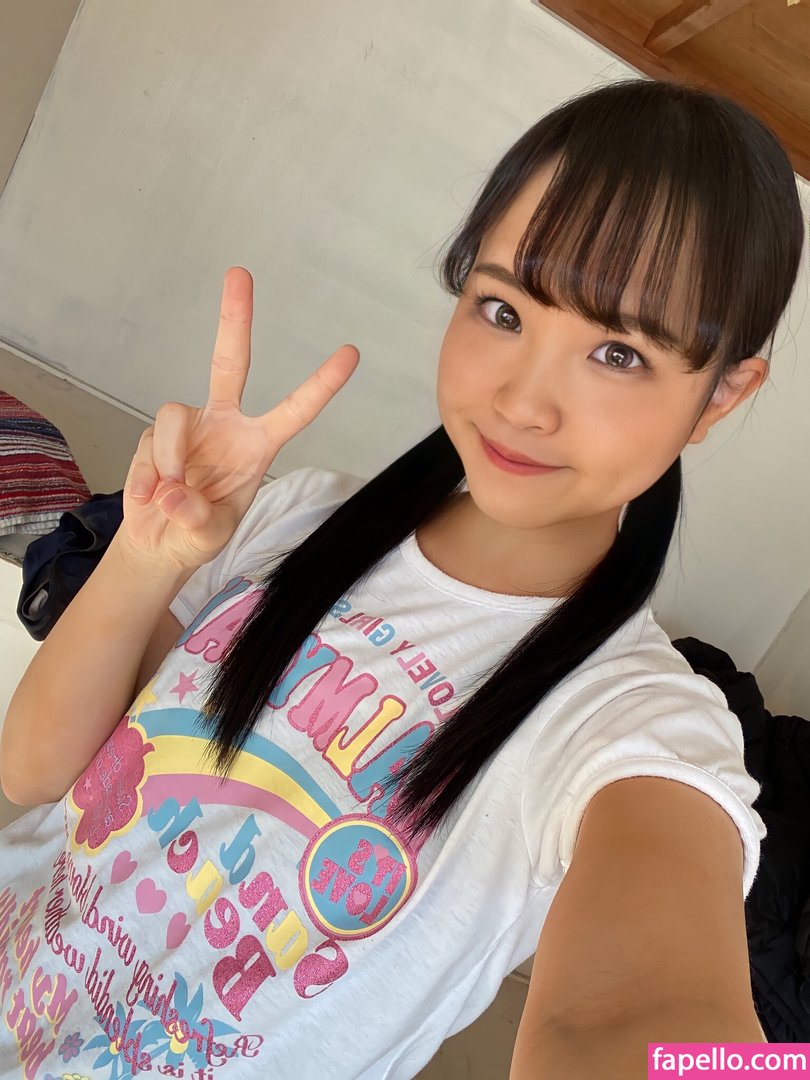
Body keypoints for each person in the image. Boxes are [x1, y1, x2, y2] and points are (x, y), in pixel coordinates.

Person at [0, 77, 804, 1080]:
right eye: (503, 310)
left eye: (617, 352)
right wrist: (145, 556)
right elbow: (37, 774)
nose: (523, 402)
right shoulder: (303, 518)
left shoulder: (635, 721)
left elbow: (649, 1025)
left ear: (722, 394)